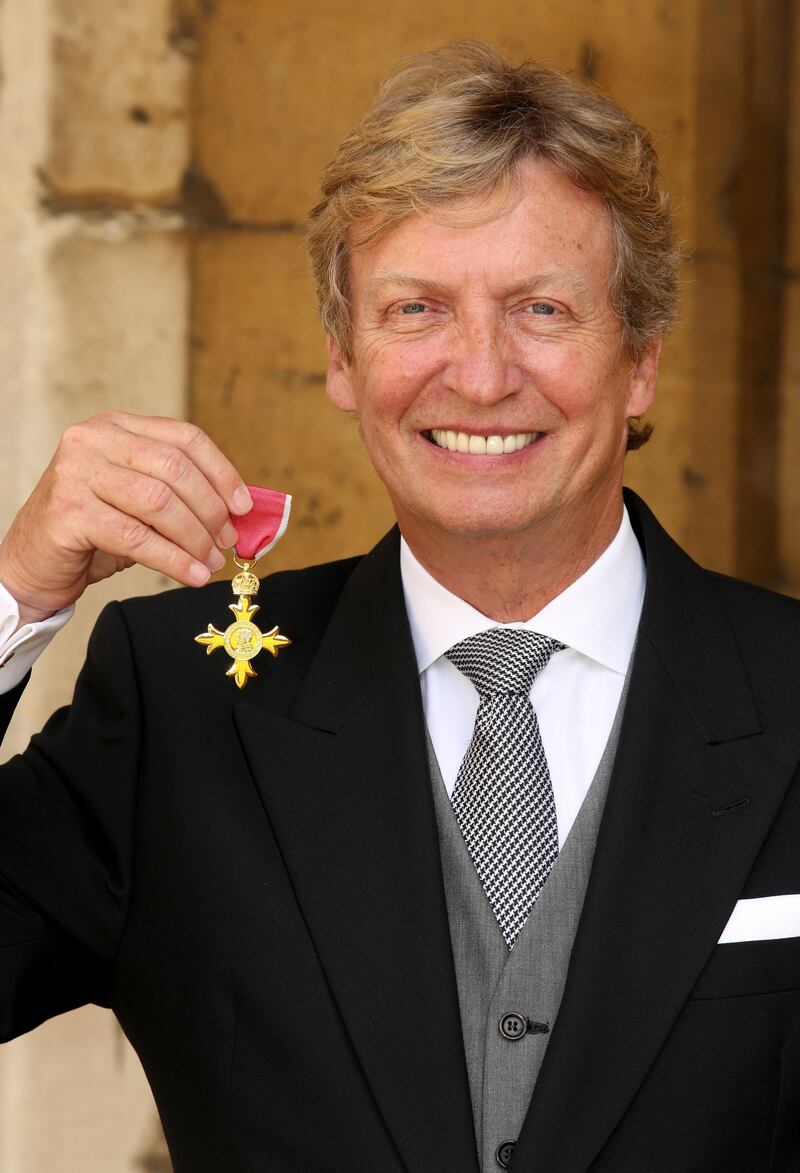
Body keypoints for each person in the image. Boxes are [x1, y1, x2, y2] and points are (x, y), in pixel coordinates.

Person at [0, 40, 798, 1173]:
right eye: (417, 309)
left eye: (539, 308)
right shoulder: (176, 703)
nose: (477, 376)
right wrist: (15, 592)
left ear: (640, 363)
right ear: (343, 358)